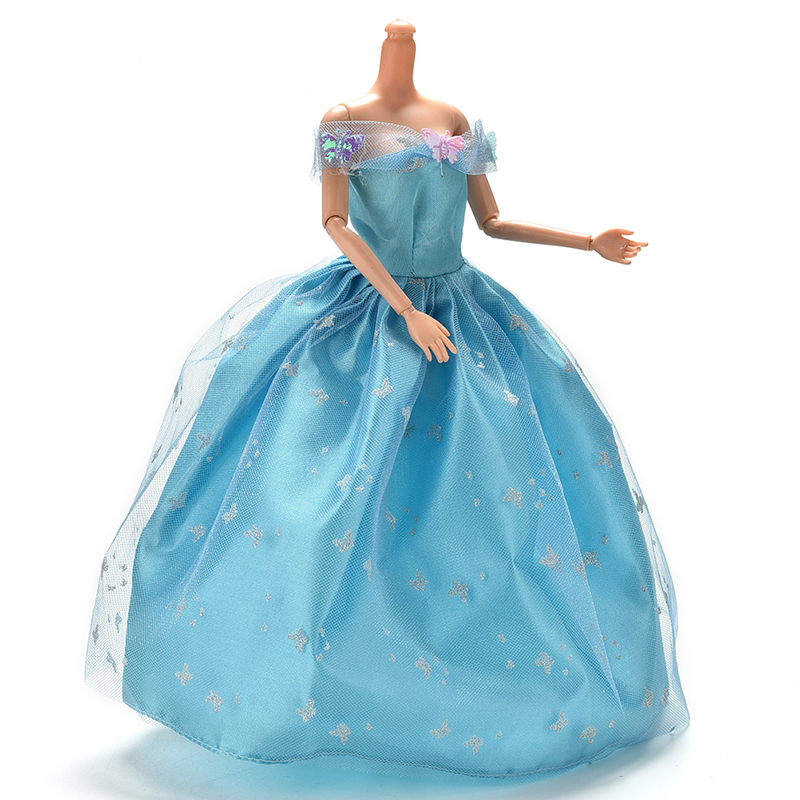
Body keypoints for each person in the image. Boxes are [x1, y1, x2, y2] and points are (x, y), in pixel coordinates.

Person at [86, 19, 688, 779]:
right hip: (367, 314)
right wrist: (402, 308)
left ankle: (481, 662)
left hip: (461, 310)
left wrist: (586, 240)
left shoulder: (454, 119)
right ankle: (295, 675)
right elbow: (336, 221)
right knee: (314, 492)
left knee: (497, 487)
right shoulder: (343, 120)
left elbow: (492, 221)